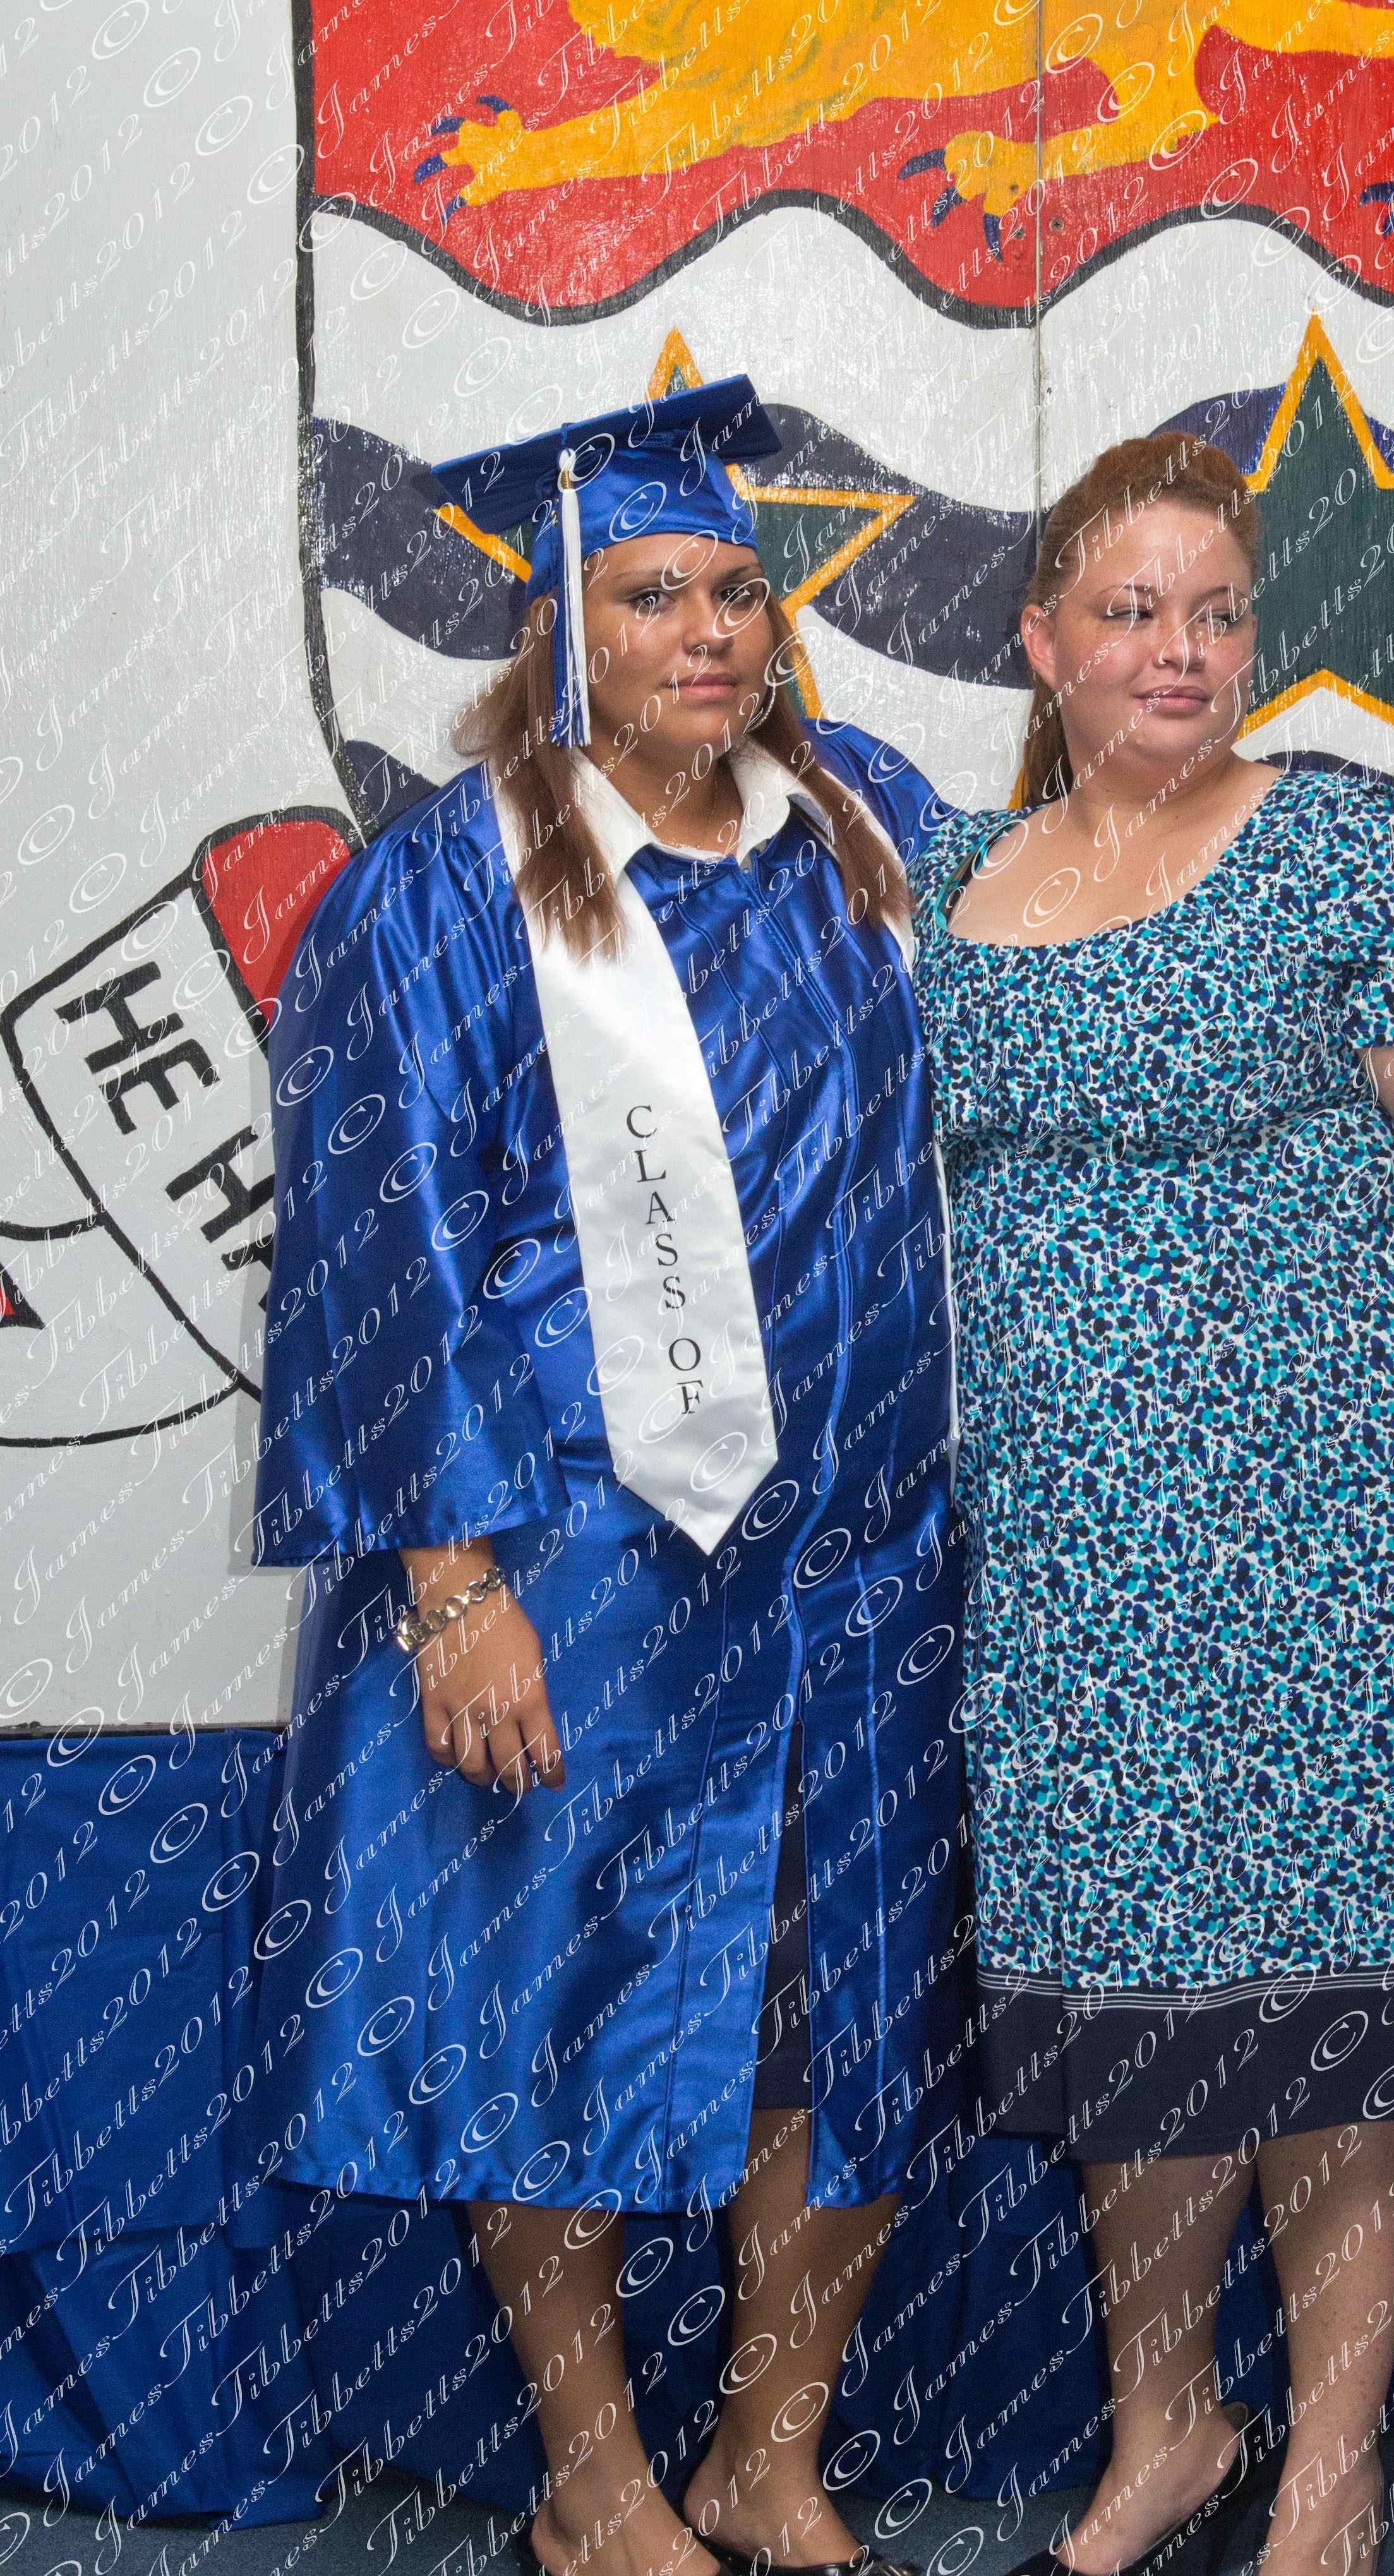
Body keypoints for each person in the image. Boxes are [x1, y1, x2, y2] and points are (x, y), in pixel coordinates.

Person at [251, 379, 967, 2576]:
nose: (710, 630)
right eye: (654, 593)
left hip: (851, 1548)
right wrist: (449, 1581)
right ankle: (594, 2485)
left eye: (738, 590)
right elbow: (380, 1245)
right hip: (573, 1550)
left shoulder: (859, 835)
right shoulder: (449, 881)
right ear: (557, 625)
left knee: (830, 2008)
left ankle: (768, 2452)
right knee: (539, 2002)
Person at [907, 434, 1394, 2576]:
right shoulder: (943, 884)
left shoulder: (1354, 860)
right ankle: (1165, 2429)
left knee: (1345, 2002)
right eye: (1131, 610)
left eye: (1217, 613)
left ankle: (1326, 2471)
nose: (1181, 649)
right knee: (1126, 2008)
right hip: (1077, 1561)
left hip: (1353, 1534)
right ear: (1039, 640)